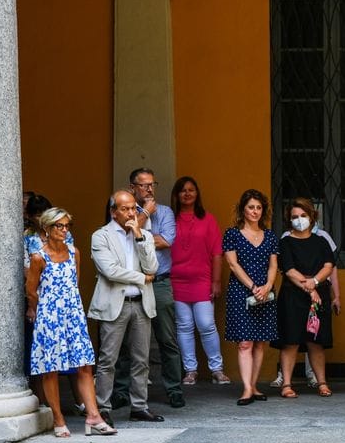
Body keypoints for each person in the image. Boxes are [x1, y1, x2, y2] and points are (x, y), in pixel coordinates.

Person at [26, 208, 116, 437]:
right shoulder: (38, 257)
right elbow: (31, 291)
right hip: (49, 317)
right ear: (47, 228)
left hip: (73, 315)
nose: (64, 230)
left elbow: (74, 283)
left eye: (67, 226)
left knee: (84, 365)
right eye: (59, 226)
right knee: (51, 368)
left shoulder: (74, 252)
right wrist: (42, 310)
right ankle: (58, 418)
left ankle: (93, 416)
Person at [89, 190, 164, 425]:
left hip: (141, 304)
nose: (131, 213)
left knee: (141, 360)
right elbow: (110, 271)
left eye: (133, 208)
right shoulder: (101, 236)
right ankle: (103, 408)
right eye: (125, 209)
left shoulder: (145, 235)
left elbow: (152, 268)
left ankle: (139, 406)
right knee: (108, 360)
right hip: (115, 305)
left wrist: (139, 237)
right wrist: (142, 278)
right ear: (114, 212)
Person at [112, 168, 185, 410]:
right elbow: (123, 239)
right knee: (125, 340)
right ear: (132, 187)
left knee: (167, 339)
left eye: (152, 184)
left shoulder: (165, 212)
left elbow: (167, 241)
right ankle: (121, 391)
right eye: (144, 185)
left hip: (160, 281)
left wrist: (138, 233)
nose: (150, 189)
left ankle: (174, 389)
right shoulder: (122, 211)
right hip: (132, 282)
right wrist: (144, 214)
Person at [170, 176, 231, 386]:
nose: (187, 194)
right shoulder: (170, 219)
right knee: (184, 326)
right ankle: (190, 371)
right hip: (176, 281)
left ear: (197, 194)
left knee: (206, 325)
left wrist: (216, 281)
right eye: (183, 190)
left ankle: (217, 369)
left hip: (202, 280)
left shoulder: (208, 219)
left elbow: (217, 253)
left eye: (191, 190)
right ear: (177, 195)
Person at [272, 210, 342, 390]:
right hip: (292, 295)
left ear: (311, 217)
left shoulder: (321, 241)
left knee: (316, 341)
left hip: (319, 294)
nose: (299, 220)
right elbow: (289, 270)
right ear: (289, 220)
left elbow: (329, 266)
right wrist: (311, 290)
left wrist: (315, 282)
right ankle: (287, 384)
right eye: (294, 217)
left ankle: (322, 382)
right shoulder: (285, 242)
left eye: (303, 215)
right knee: (290, 341)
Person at [223, 189, 278, 405]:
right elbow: (232, 264)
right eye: (251, 207)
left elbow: (273, 265)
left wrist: (268, 286)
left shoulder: (270, 236)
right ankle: (246, 388)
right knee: (245, 343)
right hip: (241, 292)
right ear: (243, 210)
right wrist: (254, 287)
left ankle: (254, 386)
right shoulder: (232, 234)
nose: (255, 211)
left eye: (258, 207)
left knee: (260, 343)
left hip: (265, 293)